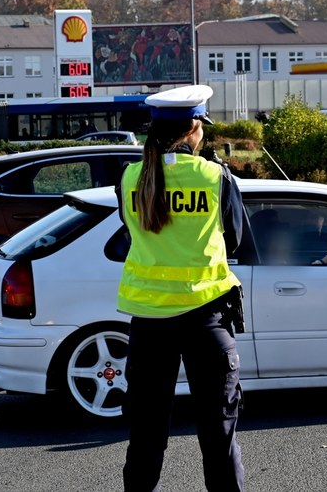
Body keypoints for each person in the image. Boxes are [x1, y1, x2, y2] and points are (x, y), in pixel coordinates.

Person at [116, 84, 246, 492]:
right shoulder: (213, 176)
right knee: (218, 437)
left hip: (149, 324)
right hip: (206, 318)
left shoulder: (131, 176)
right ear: (194, 129)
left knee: (146, 438)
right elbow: (237, 239)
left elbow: (129, 233)